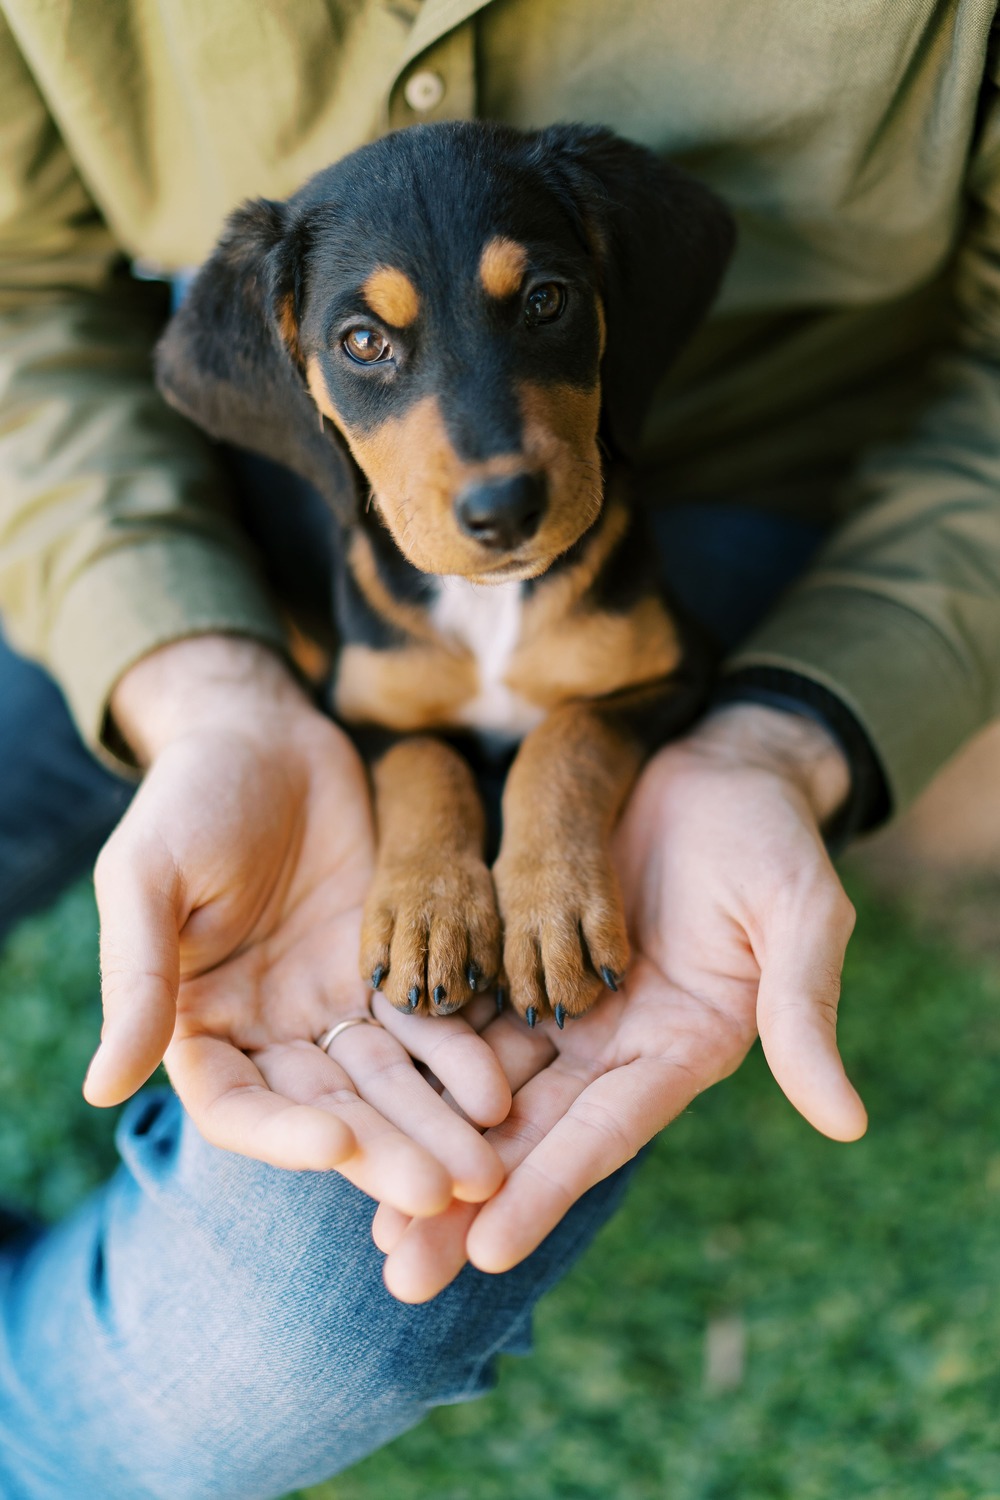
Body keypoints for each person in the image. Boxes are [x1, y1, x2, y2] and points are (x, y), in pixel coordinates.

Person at [0, 3, 997, 1495]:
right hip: (210, 524)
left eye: (536, 311)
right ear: (302, 373)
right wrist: (204, 678)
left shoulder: (614, 348)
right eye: (371, 347)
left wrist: (764, 748)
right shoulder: (282, 416)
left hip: (760, 464)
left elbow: (628, 692)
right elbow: (22, 294)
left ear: (608, 303)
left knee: (299, 1335)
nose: (490, 462)